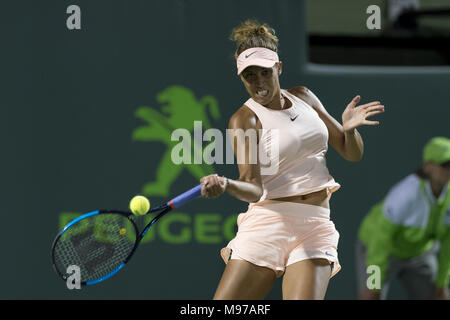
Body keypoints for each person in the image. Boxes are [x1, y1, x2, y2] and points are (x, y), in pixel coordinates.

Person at [200, 19, 385, 300]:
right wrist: (227, 184)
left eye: (265, 72)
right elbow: (253, 187)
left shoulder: (305, 97)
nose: (259, 82)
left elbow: (351, 153)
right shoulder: (244, 119)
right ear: (241, 78)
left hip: (315, 223)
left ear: (279, 68)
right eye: (250, 76)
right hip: (267, 224)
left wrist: (349, 130)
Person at [356, 137, 450, 300]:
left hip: (419, 254)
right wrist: (374, 284)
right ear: (428, 167)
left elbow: (448, 243)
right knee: (370, 296)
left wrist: (441, 284)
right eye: (444, 165)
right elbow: (380, 241)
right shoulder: (406, 194)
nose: (449, 170)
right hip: (379, 250)